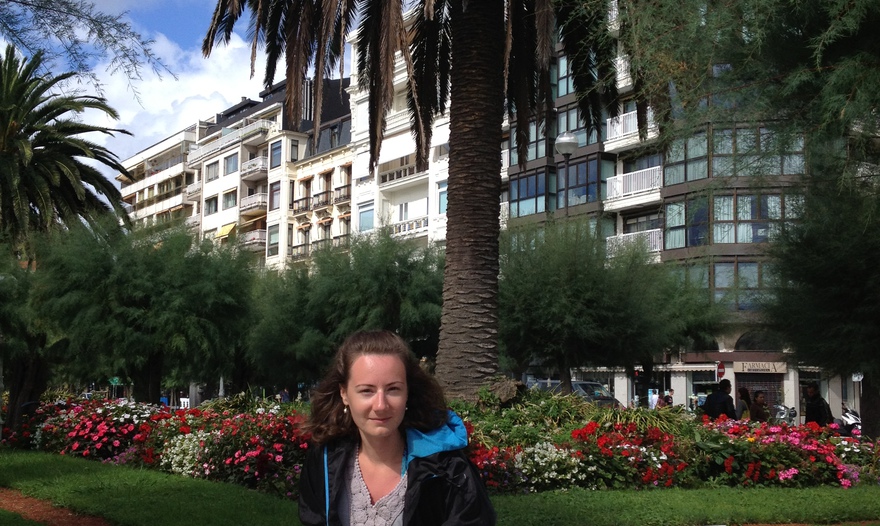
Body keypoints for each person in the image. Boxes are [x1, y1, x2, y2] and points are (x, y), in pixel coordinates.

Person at [298, 330, 496, 526]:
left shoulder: (448, 468)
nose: (381, 405)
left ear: (408, 392)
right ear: (344, 394)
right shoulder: (325, 458)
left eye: (393, 389)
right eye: (367, 391)